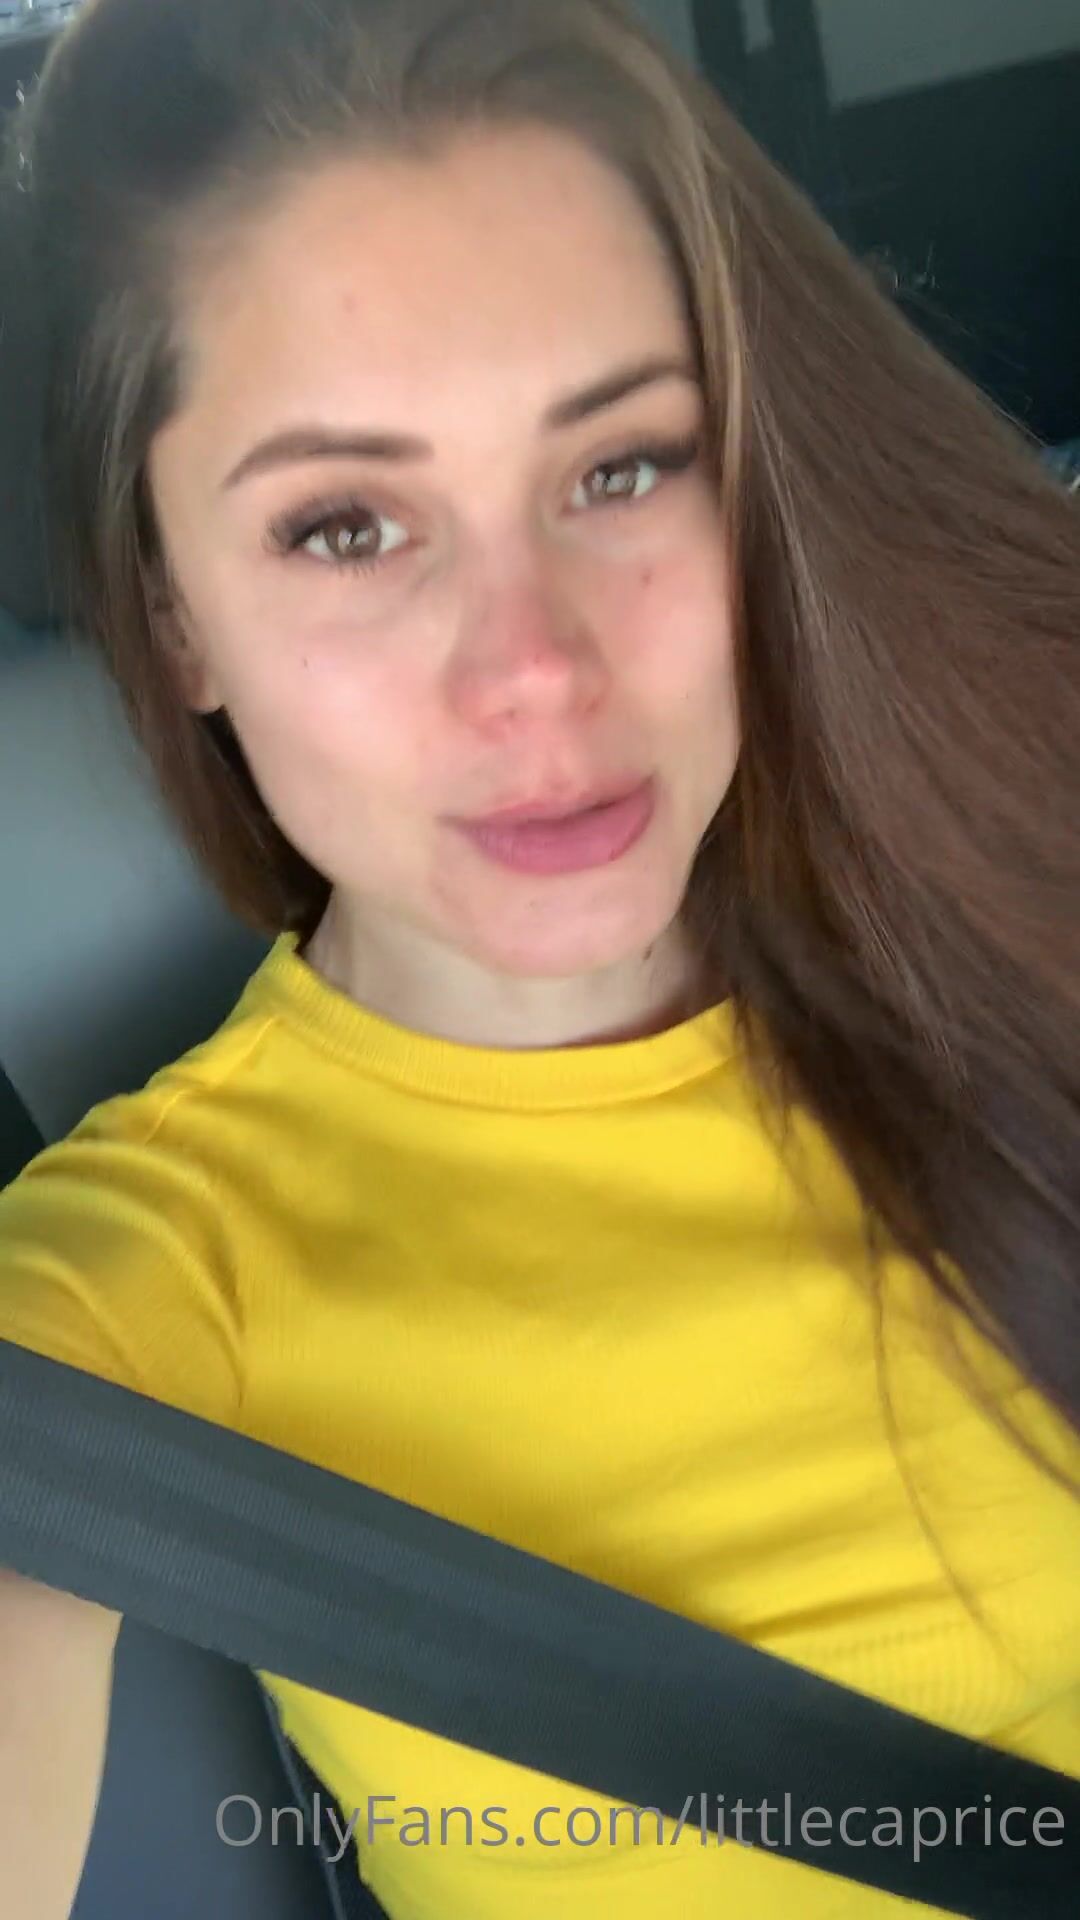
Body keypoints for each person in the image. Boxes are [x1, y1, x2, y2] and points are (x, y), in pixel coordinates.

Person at [1, 1, 1077, 1915]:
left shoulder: (1010, 888)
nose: (536, 671)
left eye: (620, 468)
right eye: (346, 525)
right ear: (175, 621)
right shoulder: (128, 1304)